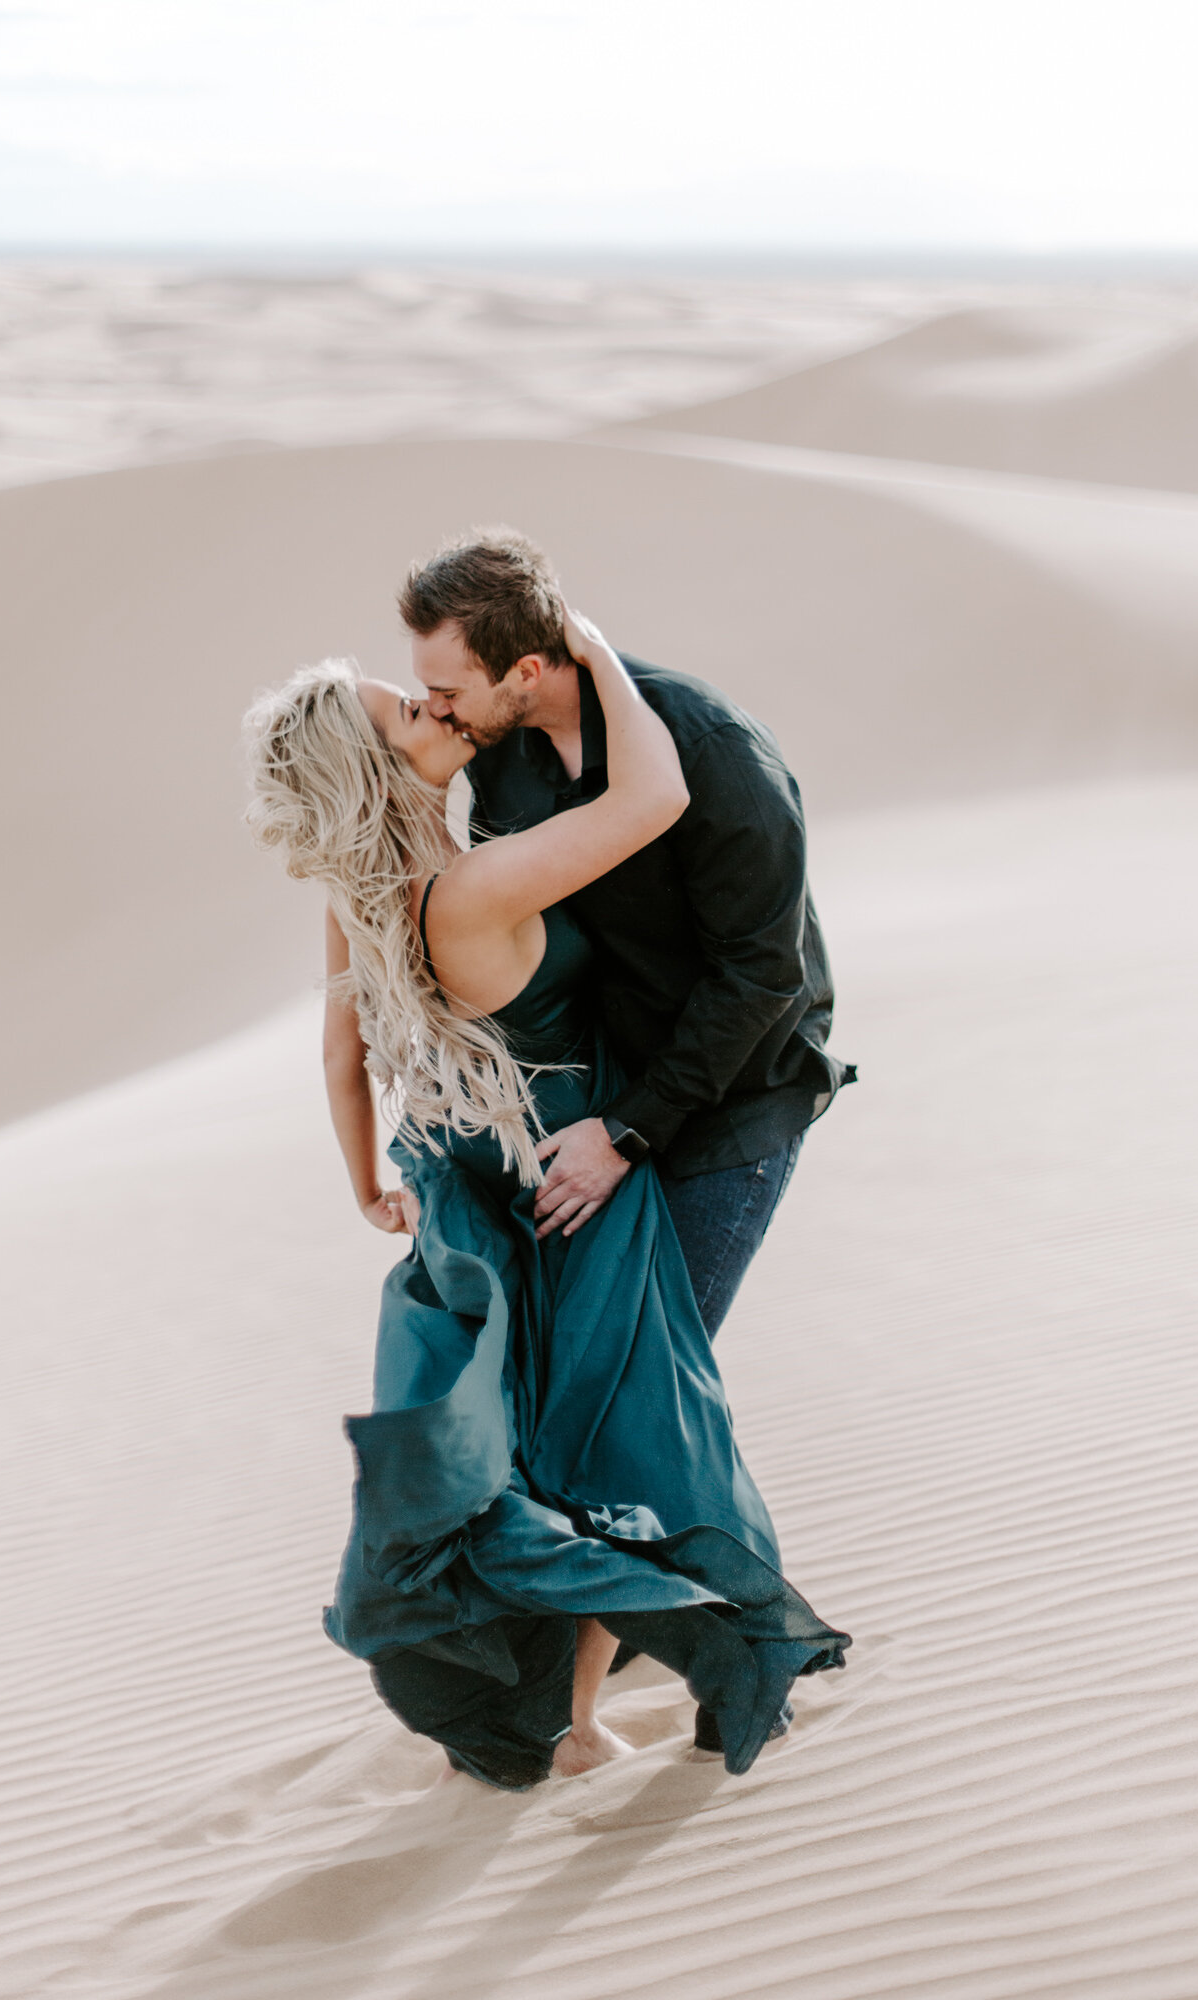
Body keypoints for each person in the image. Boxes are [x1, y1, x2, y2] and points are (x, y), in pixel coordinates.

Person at [243, 604, 850, 1790]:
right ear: (373, 769)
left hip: (492, 1192)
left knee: (565, 1446)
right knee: (629, 1438)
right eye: (402, 710)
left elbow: (337, 1054)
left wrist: (364, 1178)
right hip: (586, 1184)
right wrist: (589, 648)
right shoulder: (467, 891)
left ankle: (567, 1708)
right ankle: (603, 1708)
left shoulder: (360, 899)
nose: (430, 705)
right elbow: (653, 801)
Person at [401, 530, 855, 1340]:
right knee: (566, 1366)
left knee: (647, 1371)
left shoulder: (713, 751)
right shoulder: (498, 758)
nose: (437, 709)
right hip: (600, 1095)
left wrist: (627, 1131)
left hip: (726, 1102)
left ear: (526, 673)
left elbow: (762, 976)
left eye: (447, 690)